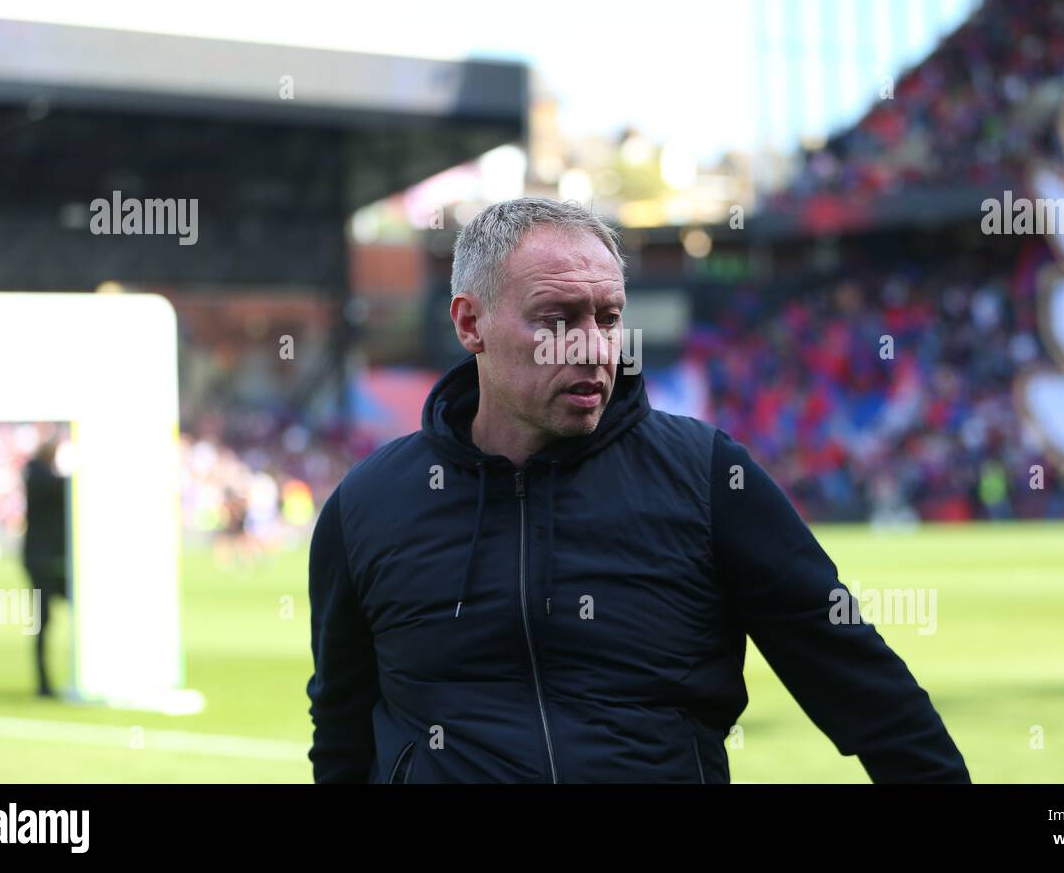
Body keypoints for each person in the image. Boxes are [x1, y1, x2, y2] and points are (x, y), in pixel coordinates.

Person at [306, 197, 969, 783]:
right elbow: (342, 737)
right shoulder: (369, 506)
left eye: (608, 316)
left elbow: (871, 698)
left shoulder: (710, 480)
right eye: (557, 318)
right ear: (469, 323)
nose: (595, 347)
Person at [21, 436, 69, 698]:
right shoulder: (38, 475)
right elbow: (57, 487)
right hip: (42, 561)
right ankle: (43, 684)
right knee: (42, 621)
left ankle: (45, 683)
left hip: (47, 560)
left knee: (44, 620)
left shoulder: (40, 475)